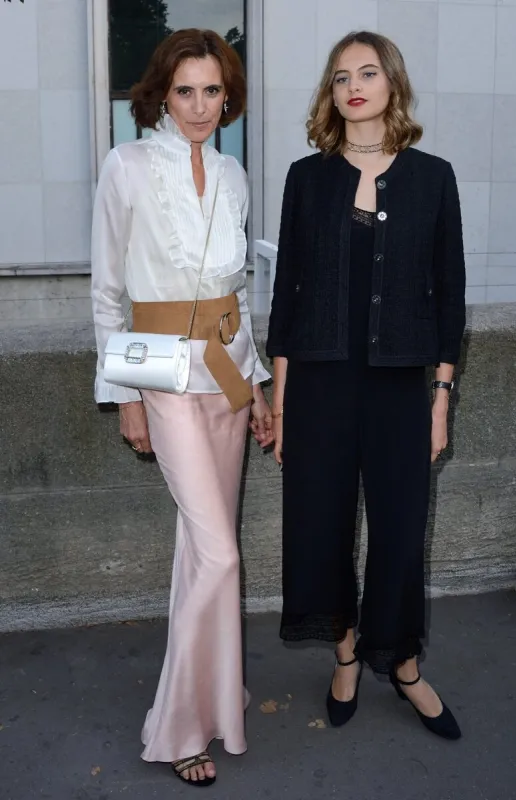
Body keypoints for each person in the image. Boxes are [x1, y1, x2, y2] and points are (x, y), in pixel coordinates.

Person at [267, 30, 465, 739]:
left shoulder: (432, 177)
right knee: (319, 526)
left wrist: (440, 401)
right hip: (318, 385)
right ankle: (346, 655)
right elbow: (287, 299)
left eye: (368, 73)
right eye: (341, 76)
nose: (353, 86)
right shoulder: (305, 178)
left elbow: (449, 297)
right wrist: (281, 403)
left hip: (398, 388)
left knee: (400, 532)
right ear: (331, 92)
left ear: (392, 85)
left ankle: (404, 665)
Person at [91, 29, 272, 787]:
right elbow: (107, 291)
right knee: (220, 555)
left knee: (204, 552)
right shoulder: (127, 166)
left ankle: (217, 700)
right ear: (161, 94)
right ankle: (178, 728)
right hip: (161, 379)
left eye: (213, 91)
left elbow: (237, 294)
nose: (200, 106)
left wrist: (255, 385)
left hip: (226, 378)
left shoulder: (233, 174)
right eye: (185, 90)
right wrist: (124, 396)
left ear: (228, 97)